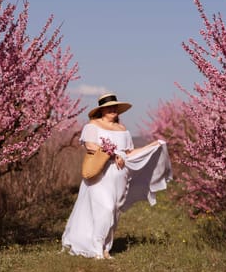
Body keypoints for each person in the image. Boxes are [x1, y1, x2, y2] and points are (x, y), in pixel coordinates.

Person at [61, 93, 173, 259]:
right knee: (105, 208)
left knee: (113, 211)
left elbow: (129, 152)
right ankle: (96, 249)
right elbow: (90, 146)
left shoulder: (123, 130)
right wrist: (113, 155)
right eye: (109, 107)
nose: (113, 110)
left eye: (115, 107)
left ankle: (106, 248)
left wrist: (152, 145)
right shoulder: (92, 126)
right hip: (100, 174)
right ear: (102, 110)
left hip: (120, 176)